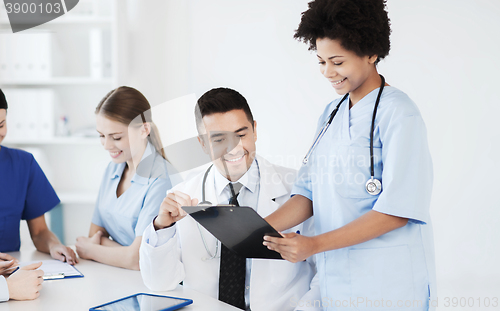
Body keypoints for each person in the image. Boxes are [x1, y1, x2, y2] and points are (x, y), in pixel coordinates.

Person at [263, 1, 436, 310]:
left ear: (371, 53)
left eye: (337, 62)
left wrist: (313, 245)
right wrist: (257, 230)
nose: (327, 72)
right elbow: (307, 193)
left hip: (389, 287)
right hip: (338, 285)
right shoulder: (331, 114)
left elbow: (397, 210)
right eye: (320, 61)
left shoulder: (399, 113)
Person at [139, 87, 320, 311]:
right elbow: (159, 282)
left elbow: (324, 271)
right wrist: (161, 226)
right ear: (203, 144)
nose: (233, 148)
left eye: (241, 135)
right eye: (219, 139)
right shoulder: (182, 195)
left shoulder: (298, 190)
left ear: (254, 130)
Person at [76, 86, 178, 270]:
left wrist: (89, 250)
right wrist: (124, 253)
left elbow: (137, 259)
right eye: (101, 136)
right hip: (116, 274)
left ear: (144, 129)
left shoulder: (161, 179)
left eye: (116, 137)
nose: (107, 145)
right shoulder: (112, 168)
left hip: (152, 284)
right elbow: (95, 233)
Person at [0, 89, 78, 265]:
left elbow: (39, 232)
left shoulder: (22, 164)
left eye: (1, 125)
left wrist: (53, 245)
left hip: (13, 274)